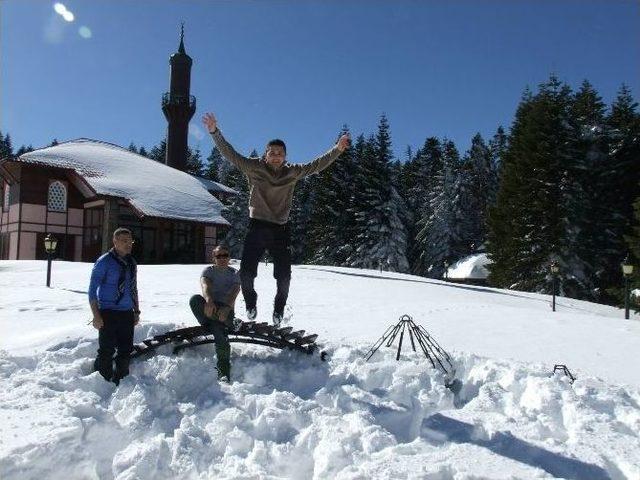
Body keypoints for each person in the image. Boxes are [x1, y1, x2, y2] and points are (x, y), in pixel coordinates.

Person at [202, 112, 350, 325]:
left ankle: (278, 310)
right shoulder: (254, 167)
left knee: (284, 276)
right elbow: (230, 154)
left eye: (280, 153)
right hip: (257, 225)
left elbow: (318, 164)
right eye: (272, 152)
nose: (276, 156)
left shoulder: (293, 172)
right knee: (246, 273)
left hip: (281, 228)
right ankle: (250, 303)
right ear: (266, 154)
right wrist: (215, 132)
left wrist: (337, 149)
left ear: (285, 156)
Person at [89, 227, 140, 385]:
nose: (128, 244)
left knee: (126, 349)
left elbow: (133, 288)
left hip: (126, 312)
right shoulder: (104, 261)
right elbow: (92, 290)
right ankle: (102, 382)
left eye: (130, 241)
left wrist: (136, 311)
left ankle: (121, 380)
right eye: (124, 241)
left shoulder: (131, 262)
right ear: (115, 241)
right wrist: (96, 316)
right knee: (107, 350)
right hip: (108, 312)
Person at [189, 245, 241, 382]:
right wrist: (209, 300)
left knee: (217, 328)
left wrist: (227, 308)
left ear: (229, 257)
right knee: (194, 299)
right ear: (214, 258)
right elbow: (205, 286)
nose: (222, 258)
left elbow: (235, 292)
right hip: (209, 310)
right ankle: (225, 323)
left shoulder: (235, 273)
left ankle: (223, 371)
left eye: (225, 255)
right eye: (219, 256)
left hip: (226, 312)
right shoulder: (208, 271)